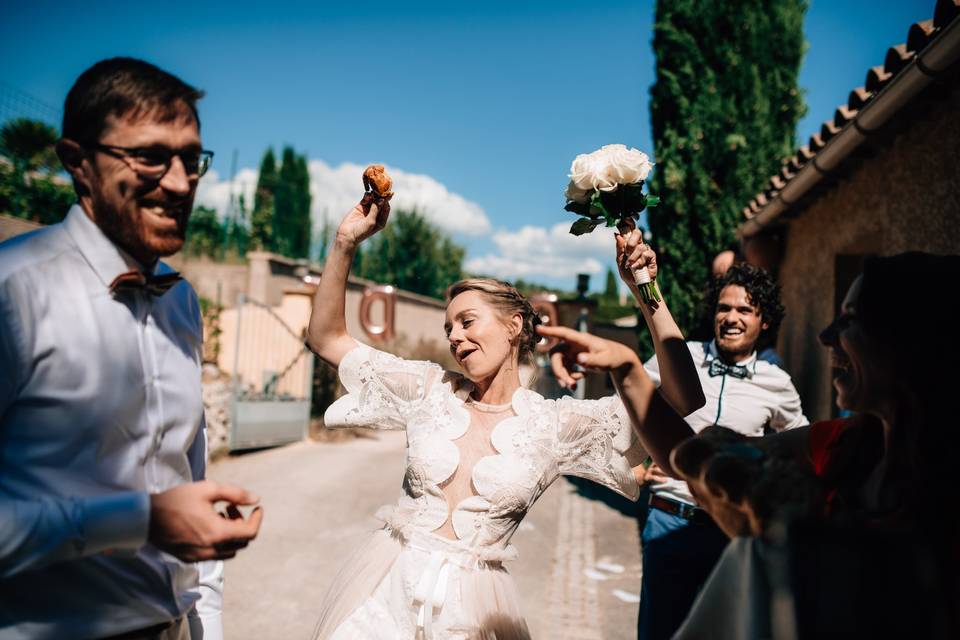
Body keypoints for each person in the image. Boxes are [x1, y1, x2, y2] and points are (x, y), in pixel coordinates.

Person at [304, 192, 700, 639]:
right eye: (448, 327)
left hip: (470, 616)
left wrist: (647, 290)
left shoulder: (553, 427)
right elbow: (327, 338)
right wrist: (344, 242)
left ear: (515, 326)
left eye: (467, 321)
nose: (455, 336)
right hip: (384, 598)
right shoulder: (427, 390)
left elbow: (681, 402)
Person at [0, 58, 262, 640]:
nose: (178, 182)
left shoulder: (182, 302)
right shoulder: (13, 292)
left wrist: (205, 624)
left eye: (191, 160)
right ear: (78, 162)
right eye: (149, 156)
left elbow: (190, 480)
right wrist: (138, 520)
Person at [667, 252, 960, 639]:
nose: (826, 336)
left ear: (912, 337)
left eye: (851, 318)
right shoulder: (841, 442)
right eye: (724, 308)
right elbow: (719, 452)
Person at [551, 229, 807, 640]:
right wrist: (635, 468)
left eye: (745, 310)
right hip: (669, 521)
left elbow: (799, 450)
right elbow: (631, 407)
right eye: (724, 308)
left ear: (764, 320)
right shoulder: (679, 355)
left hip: (732, 532)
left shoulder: (778, 382)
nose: (732, 317)